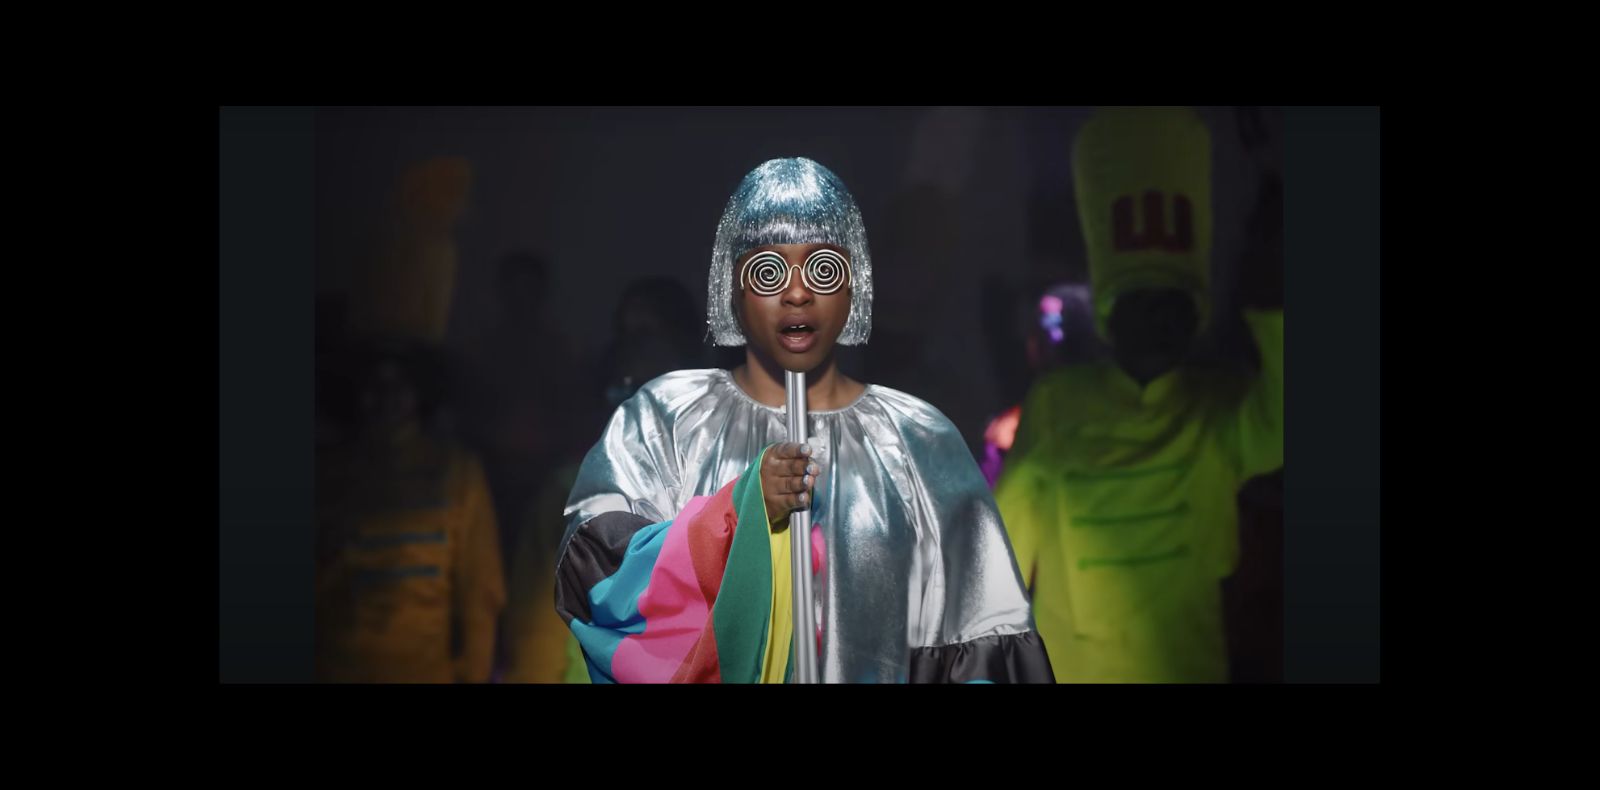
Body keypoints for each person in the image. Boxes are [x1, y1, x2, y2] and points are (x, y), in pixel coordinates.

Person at [553, 157, 1052, 683]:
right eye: (768, 270)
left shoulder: (917, 440)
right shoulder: (666, 420)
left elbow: (980, 636)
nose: (797, 293)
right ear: (732, 285)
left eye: (823, 268)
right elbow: (601, 579)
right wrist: (737, 515)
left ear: (854, 282)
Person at [994, 107, 1283, 683]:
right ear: (1110, 317)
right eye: (1141, 300)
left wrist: (1270, 302)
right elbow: (1004, 546)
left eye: (1173, 302)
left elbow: (1280, 425)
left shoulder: (1217, 406)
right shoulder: (1058, 404)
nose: (1158, 318)